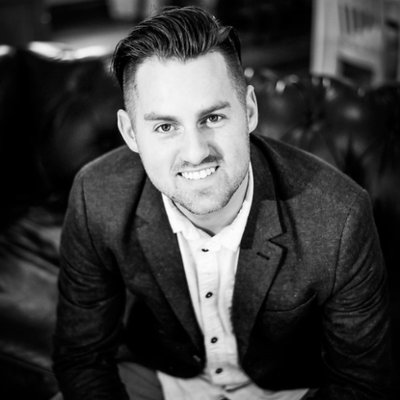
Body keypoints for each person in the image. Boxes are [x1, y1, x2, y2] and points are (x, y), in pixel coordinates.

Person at [52, 6, 392, 400]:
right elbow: (83, 357)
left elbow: (359, 384)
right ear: (130, 133)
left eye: (212, 118)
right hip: (162, 375)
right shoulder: (97, 195)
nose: (196, 153)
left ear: (249, 110)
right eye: (165, 126)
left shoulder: (340, 216)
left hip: (287, 391)